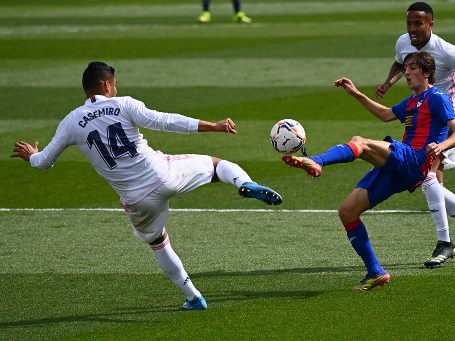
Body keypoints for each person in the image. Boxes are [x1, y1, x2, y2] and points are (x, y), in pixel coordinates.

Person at [11, 61, 282, 310]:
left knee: (158, 242)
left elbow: (44, 162)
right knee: (217, 165)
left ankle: (194, 297)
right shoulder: (123, 104)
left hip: (136, 200)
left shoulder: (71, 121)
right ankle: (245, 183)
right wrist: (213, 126)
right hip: (163, 174)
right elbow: (165, 120)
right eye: (115, 83)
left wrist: (31, 155)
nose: (116, 87)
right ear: (106, 85)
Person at [282, 52, 455, 291]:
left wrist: (441, 146)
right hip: (400, 167)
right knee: (348, 212)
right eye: (406, 68)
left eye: (412, 69)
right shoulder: (412, 101)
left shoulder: (437, 97)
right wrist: (356, 93)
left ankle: (316, 161)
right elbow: (385, 114)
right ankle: (375, 271)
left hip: (415, 160)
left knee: (361, 142)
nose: (407, 73)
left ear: (426, 73)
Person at [375, 2, 455, 267]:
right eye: (409, 23)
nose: (413, 29)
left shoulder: (447, 51)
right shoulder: (403, 42)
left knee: (428, 176)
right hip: (420, 114)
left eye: (419, 23)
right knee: (431, 183)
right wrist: (389, 82)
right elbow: (399, 63)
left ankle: (445, 243)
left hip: (445, 115)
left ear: (431, 24)